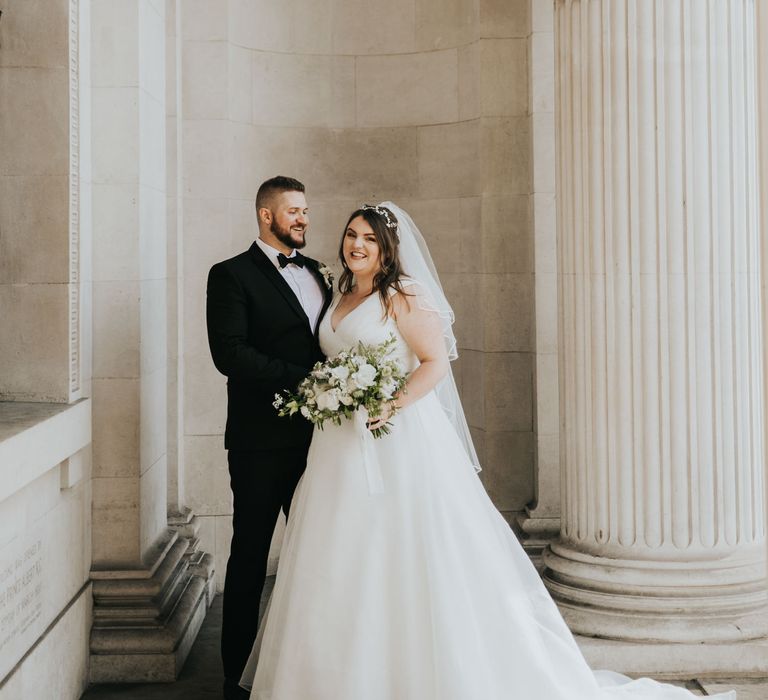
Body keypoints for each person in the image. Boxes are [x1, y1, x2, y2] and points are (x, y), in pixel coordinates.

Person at [240, 203, 735, 700]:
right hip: (338, 447)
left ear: (387, 247)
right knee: (338, 557)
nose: (357, 245)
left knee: (402, 553)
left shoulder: (402, 294)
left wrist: (394, 403)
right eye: (352, 235)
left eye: (369, 238)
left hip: (396, 441)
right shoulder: (341, 291)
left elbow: (434, 362)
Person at [206, 176, 333, 700]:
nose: (303, 218)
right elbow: (229, 354)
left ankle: (315, 670)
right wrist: (304, 380)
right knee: (250, 557)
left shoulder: (321, 272)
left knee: (321, 555)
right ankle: (236, 676)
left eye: (305, 210)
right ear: (266, 215)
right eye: (293, 211)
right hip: (260, 442)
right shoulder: (230, 275)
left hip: (324, 443)